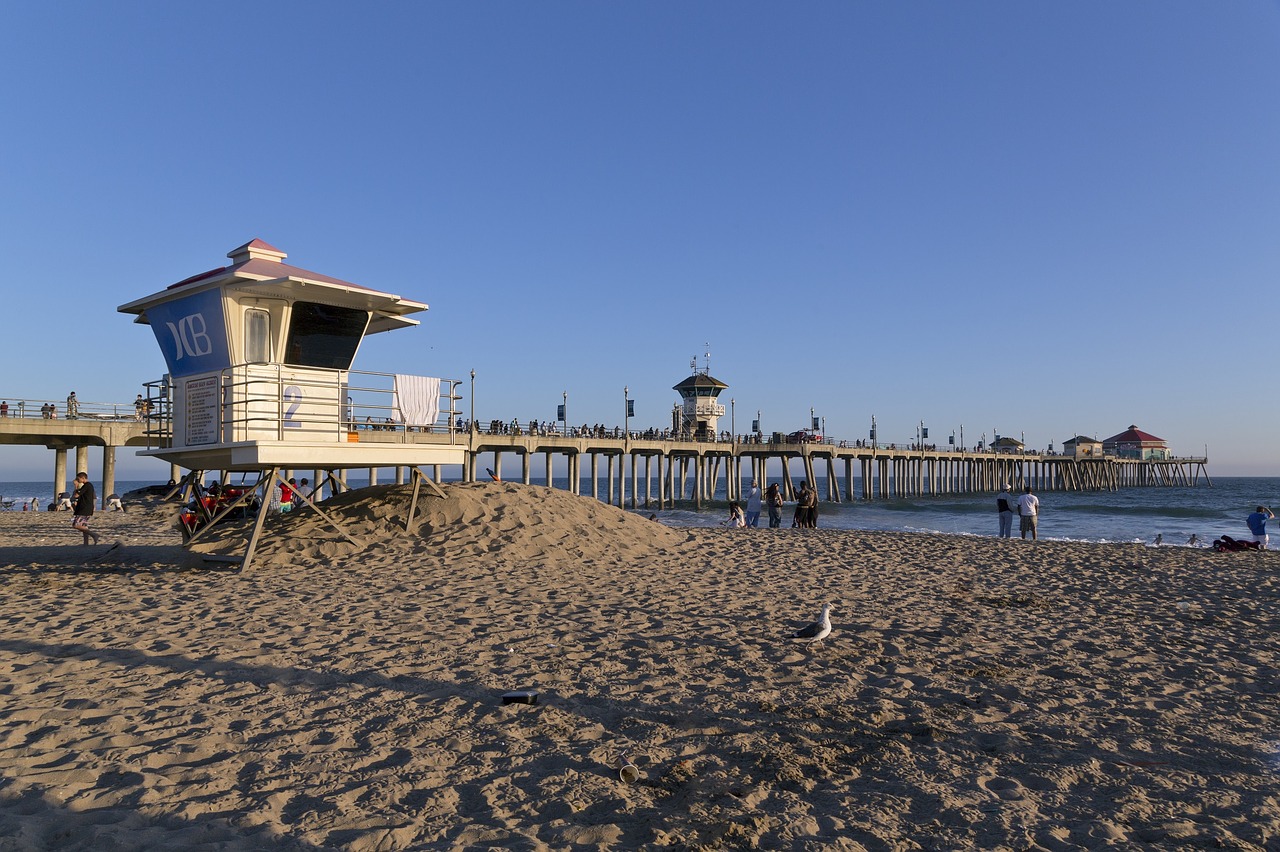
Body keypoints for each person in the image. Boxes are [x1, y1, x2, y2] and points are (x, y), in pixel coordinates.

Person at [71, 472, 100, 545]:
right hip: (86, 507)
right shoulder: (87, 486)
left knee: (76, 525)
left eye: (78, 479)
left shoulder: (87, 485)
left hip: (84, 508)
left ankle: (94, 535)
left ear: (83, 478)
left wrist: (76, 485)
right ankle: (86, 543)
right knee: (84, 526)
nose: (77, 480)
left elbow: (76, 495)